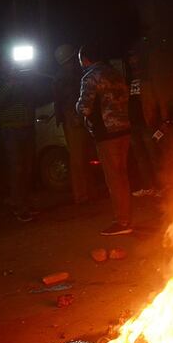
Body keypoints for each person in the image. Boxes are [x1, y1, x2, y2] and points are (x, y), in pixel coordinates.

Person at [76, 43, 133, 236]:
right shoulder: (115, 73)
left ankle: (122, 222)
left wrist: (77, 107)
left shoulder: (90, 77)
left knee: (114, 178)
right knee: (122, 175)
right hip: (124, 129)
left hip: (106, 134)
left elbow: (84, 108)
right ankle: (125, 217)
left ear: (85, 59)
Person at [0, 56, 40, 222]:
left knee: (27, 167)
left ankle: (27, 203)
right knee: (17, 168)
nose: (13, 69)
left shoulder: (23, 81)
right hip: (11, 129)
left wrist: (25, 83)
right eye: (9, 67)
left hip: (26, 127)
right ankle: (19, 207)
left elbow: (32, 98)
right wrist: (10, 84)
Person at [53, 44, 93, 204]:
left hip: (75, 117)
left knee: (82, 157)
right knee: (79, 158)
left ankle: (87, 192)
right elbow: (66, 100)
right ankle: (83, 195)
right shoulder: (69, 75)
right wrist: (74, 116)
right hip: (74, 118)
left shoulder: (62, 75)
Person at [125, 48, 163, 197]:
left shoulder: (149, 78)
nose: (132, 61)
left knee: (153, 155)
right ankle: (149, 187)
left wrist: (161, 120)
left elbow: (157, 100)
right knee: (141, 157)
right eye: (130, 58)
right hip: (134, 125)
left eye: (135, 58)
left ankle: (162, 186)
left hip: (148, 123)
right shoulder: (129, 78)